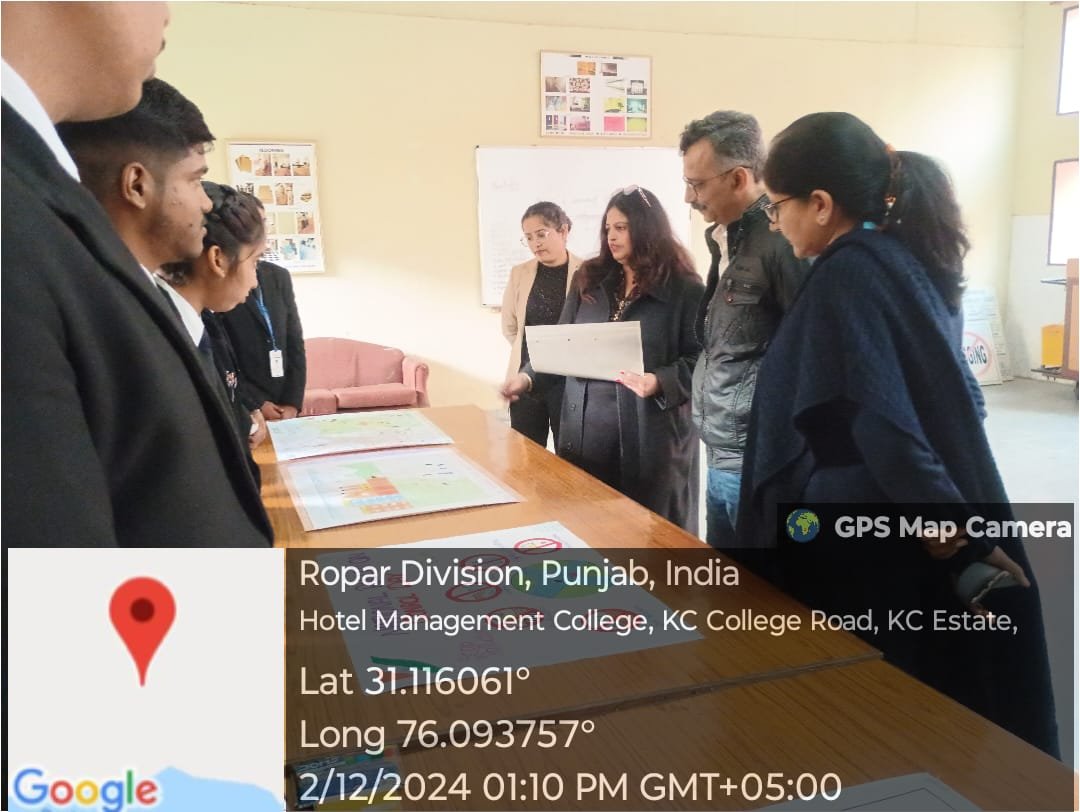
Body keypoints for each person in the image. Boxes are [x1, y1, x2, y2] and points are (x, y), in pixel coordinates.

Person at [738, 111, 1058, 755]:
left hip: (861, 529)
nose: (774, 222)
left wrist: (958, 539)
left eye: (777, 206)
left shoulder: (848, 275)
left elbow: (885, 428)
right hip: (891, 518)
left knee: (864, 705)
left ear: (820, 204)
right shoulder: (901, 257)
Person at [1, 7, 272, 549]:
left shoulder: (47, 204)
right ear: (136, 185)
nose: (167, 11)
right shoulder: (21, 219)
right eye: (195, 180)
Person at [501, 187, 704, 533]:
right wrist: (527, 377)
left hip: (650, 436)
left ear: (647, 227)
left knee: (650, 537)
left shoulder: (685, 289)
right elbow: (561, 344)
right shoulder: (590, 280)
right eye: (608, 228)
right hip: (587, 435)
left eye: (621, 227)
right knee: (589, 528)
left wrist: (660, 380)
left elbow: (702, 359)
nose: (611, 236)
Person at [678, 111, 806, 550]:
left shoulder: (781, 241)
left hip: (758, 456)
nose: (688, 197)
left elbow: (805, 351)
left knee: (762, 582)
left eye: (696, 184)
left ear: (738, 178)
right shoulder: (727, 239)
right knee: (728, 579)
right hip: (722, 449)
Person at [157, 182, 269, 457]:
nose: (254, 281)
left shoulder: (204, 324)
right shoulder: (159, 342)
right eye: (254, 262)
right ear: (218, 259)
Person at [501, 202, 584, 447]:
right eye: (528, 237)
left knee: (569, 454)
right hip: (525, 379)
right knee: (524, 454)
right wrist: (531, 358)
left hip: (568, 381)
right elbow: (510, 327)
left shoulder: (587, 272)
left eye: (541, 234)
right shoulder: (519, 273)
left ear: (563, 231)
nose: (535, 243)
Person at [220, 227, 308, 422]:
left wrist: (292, 402)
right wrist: (256, 402)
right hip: (244, 402)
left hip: (284, 398)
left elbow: (294, 341)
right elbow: (222, 356)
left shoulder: (279, 276)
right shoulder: (222, 284)